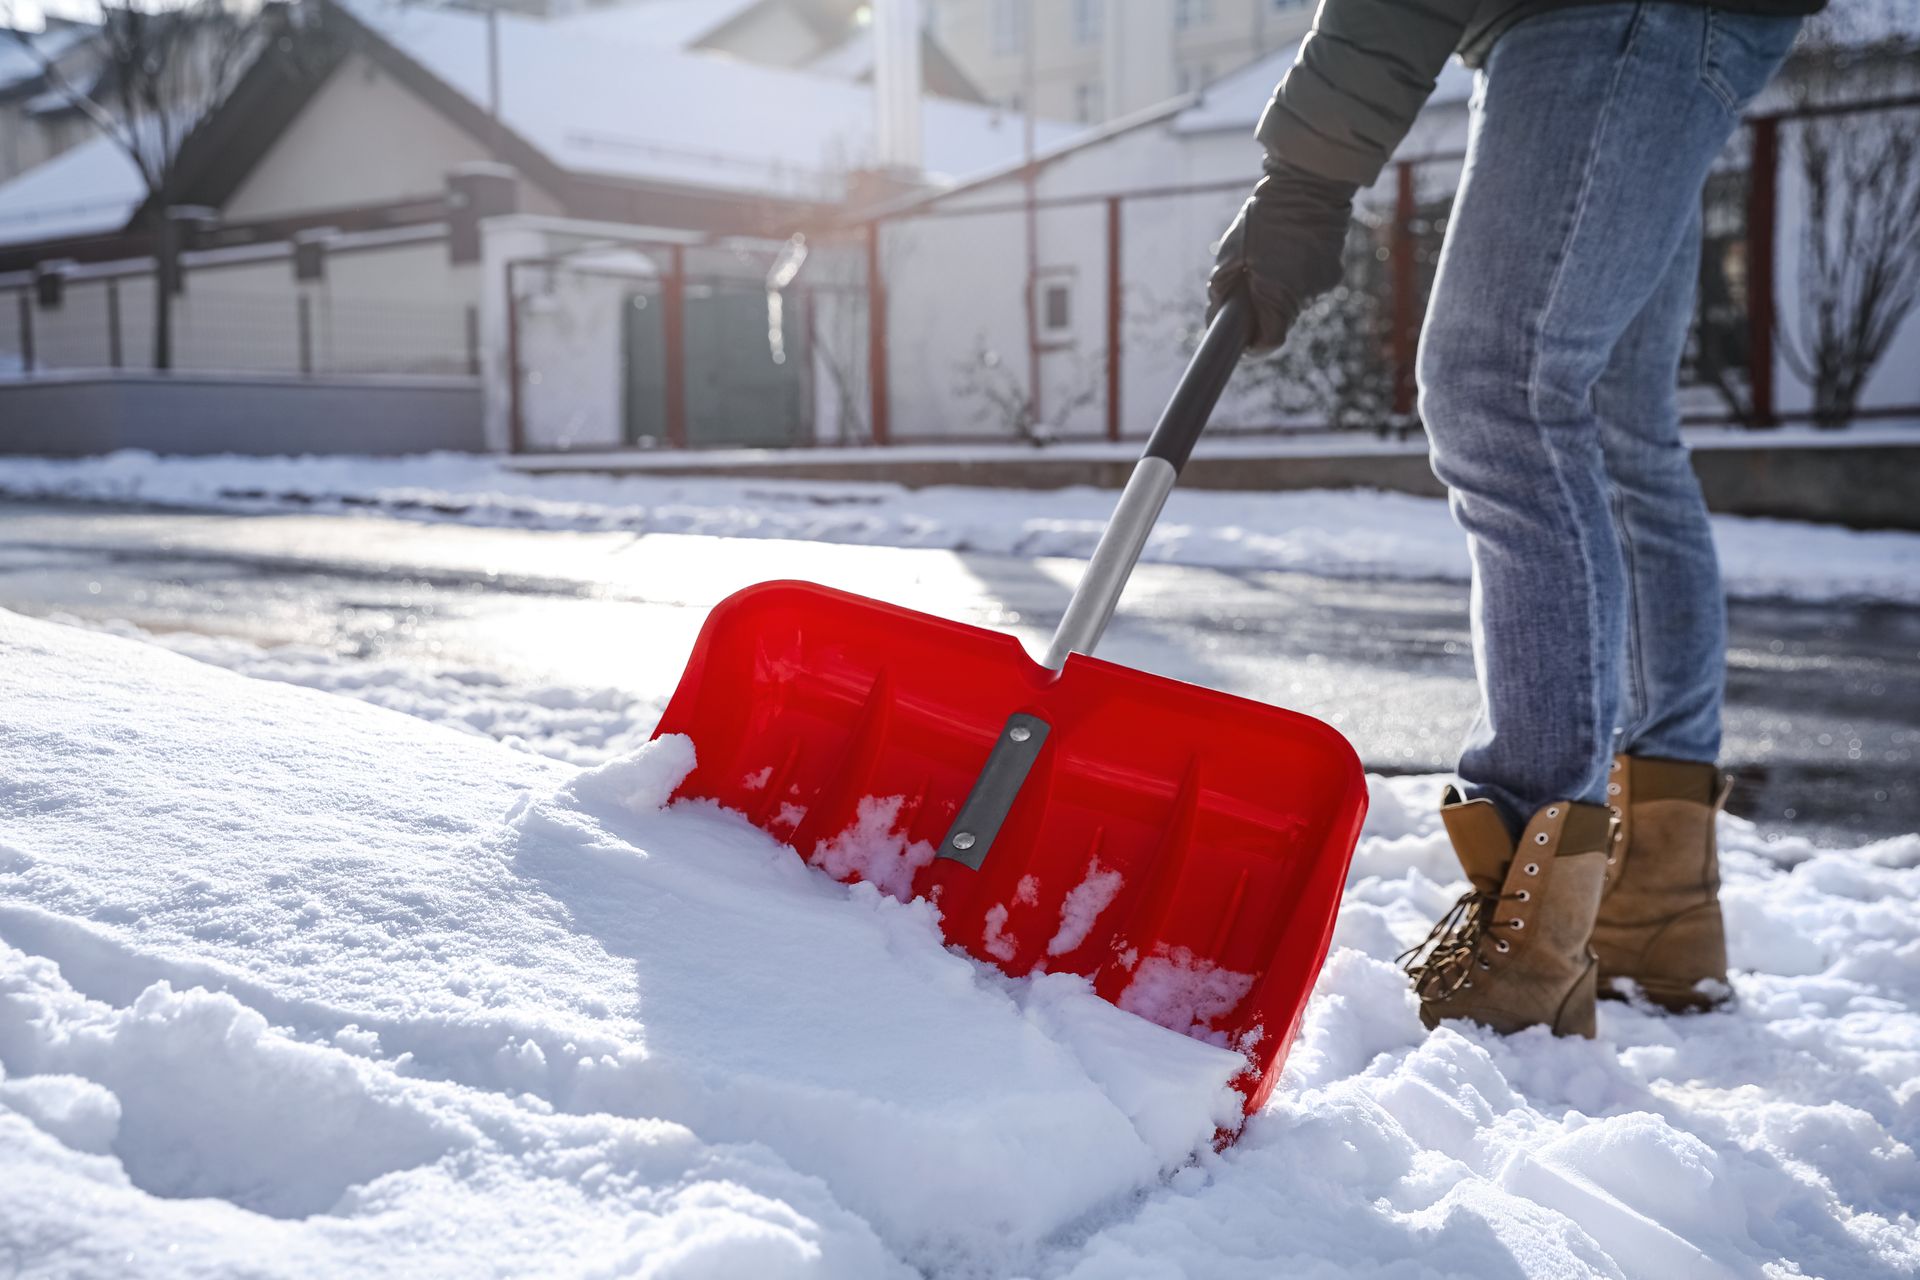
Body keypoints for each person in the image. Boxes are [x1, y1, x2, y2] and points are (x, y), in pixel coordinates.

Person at [1209, 0, 1817, 1035]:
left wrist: (1307, 176)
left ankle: (1526, 933)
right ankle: (1657, 906)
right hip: (1683, 22)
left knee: (1501, 385)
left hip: (1612, 17)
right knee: (1617, 429)